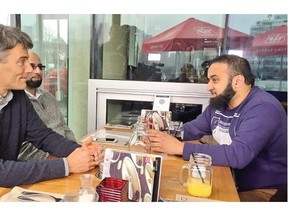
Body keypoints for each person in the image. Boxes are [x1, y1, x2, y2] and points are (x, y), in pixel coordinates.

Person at [147, 54, 287, 201]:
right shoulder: (220, 104)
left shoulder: (263, 108)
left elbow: (238, 155)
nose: (208, 86)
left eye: (215, 80)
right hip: (230, 178)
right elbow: (194, 128)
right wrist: (160, 134)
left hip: (266, 190)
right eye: (209, 80)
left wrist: (180, 148)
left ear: (238, 81)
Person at [0, 24, 104, 187]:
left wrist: (82, 151)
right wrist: (66, 165)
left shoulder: (17, 96)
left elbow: (43, 136)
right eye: (22, 61)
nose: (29, 69)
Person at [17, 51, 76, 161]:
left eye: (40, 67)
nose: (38, 71)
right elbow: (23, 149)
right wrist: (57, 162)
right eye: (32, 66)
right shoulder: (16, 102)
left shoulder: (48, 97)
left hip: (66, 155)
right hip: (44, 165)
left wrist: (76, 150)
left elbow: (63, 127)